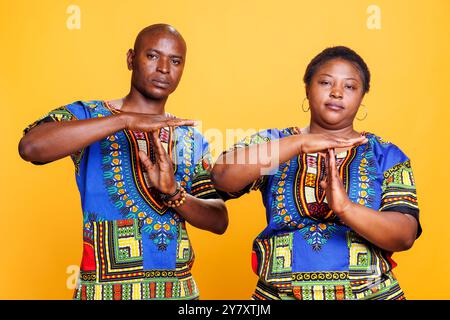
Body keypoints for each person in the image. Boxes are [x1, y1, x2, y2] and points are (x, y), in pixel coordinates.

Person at [19, 24, 228, 300]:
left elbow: (219, 220)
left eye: (175, 61)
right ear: (131, 59)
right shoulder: (89, 115)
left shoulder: (190, 137)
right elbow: (31, 146)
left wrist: (174, 194)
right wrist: (124, 119)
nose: (164, 68)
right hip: (104, 292)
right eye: (152, 56)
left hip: (179, 294)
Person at [212, 46, 421, 300]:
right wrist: (299, 144)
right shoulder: (277, 144)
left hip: (369, 294)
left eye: (350, 87)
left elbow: (405, 235)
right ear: (307, 89)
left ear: (362, 96)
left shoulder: (384, 154)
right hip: (280, 295)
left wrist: (345, 208)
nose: (336, 93)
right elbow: (222, 175)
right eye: (325, 82)